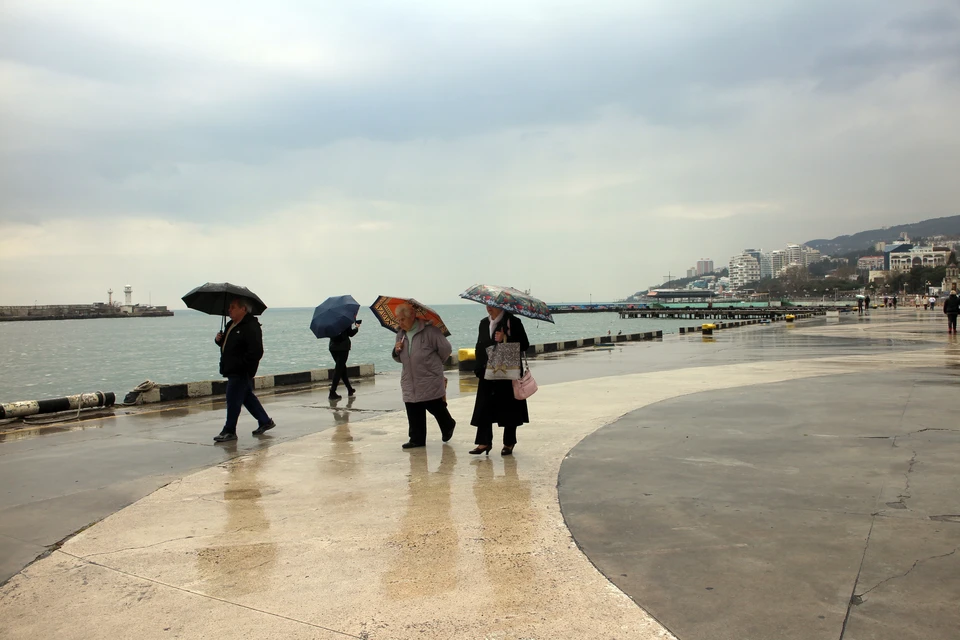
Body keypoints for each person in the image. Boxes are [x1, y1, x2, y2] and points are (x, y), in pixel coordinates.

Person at [392, 304, 456, 449]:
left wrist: (434, 364)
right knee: (412, 406)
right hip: (409, 377)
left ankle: (448, 425)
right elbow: (399, 357)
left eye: (402, 319)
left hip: (429, 376)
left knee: (434, 404)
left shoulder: (430, 331)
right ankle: (416, 439)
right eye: (398, 320)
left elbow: (446, 349)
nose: (399, 323)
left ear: (412, 317)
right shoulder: (400, 334)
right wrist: (396, 351)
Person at [470, 306, 530, 456]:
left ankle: (509, 443)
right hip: (487, 370)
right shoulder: (484, 322)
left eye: (492, 306)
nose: (488, 308)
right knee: (484, 406)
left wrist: (506, 337)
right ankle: (484, 442)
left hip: (507, 371)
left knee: (509, 407)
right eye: (487, 305)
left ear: (500, 306)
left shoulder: (513, 322)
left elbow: (525, 344)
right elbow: (479, 346)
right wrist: (478, 368)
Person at [213, 297, 275, 442]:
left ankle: (229, 430)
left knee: (233, 399)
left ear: (243, 309)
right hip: (232, 368)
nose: (230, 310)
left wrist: (243, 365)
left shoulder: (250, 326)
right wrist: (218, 340)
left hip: (240, 370)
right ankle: (265, 421)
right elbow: (227, 344)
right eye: (229, 307)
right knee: (247, 397)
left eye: (233, 307)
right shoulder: (231, 324)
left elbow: (256, 351)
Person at [328, 319, 360, 399]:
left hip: (333, 347)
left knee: (342, 368)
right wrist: (357, 327)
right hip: (343, 348)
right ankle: (332, 391)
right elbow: (350, 333)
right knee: (339, 369)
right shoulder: (345, 321)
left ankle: (349, 389)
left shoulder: (330, 322)